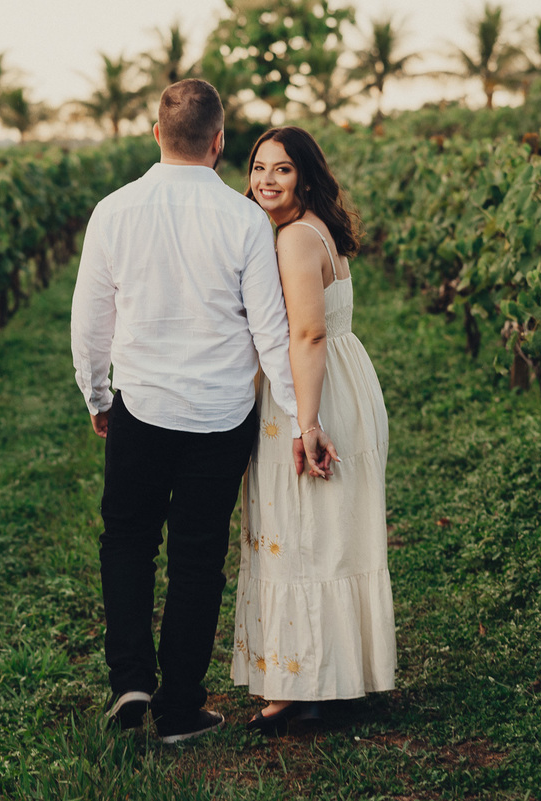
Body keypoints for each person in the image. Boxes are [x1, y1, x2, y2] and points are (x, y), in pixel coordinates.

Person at [71, 81, 337, 744]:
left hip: (143, 405)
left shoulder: (113, 210)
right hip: (221, 416)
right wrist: (304, 418)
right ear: (219, 142)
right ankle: (180, 704)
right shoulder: (243, 219)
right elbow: (272, 332)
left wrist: (97, 395)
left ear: (155, 134)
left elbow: (90, 319)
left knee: (127, 539)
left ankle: (130, 678)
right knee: (197, 555)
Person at [231, 126, 396, 735]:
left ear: (305, 176)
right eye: (258, 168)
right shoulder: (316, 229)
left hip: (312, 391)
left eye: (282, 170)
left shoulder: (296, 240)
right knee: (328, 530)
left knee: (300, 531)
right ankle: (327, 677)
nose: (267, 181)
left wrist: (306, 423)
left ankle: (302, 688)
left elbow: (307, 334)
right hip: (342, 381)